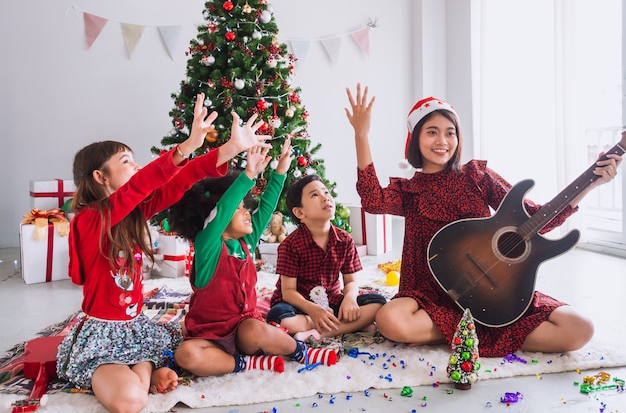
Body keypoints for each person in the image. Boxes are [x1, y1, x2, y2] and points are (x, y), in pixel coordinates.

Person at [345, 83, 623, 357]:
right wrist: (361, 134)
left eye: (450, 133)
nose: (442, 141)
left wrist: (592, 184)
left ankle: (470, 330)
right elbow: (372, 199)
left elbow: (539, 219)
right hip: (430, 294)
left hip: (493, 294)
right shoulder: (410, 190)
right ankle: (486, 333)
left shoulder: (477, 176)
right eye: (432, 132)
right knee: (391, 319)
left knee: (579, 329)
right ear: (416, 138)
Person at [56, 93, 271, 413]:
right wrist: (185, 146)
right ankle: (145, 370)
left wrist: (229, 149)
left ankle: (144, 366)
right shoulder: (89, 221)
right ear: (100, 178)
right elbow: (140, 185)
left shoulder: (134, 214)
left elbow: (180, 181)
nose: (138, 166)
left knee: (137, 391)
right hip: (102, 334)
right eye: (126, 162)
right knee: (131, 401)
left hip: (134, 327)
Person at [167, 137, 337, 378]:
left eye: (244, 206)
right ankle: (245, 364)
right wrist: (247, 175)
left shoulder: (245, 243)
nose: (246, 211)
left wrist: (280, 172)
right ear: (214, 218)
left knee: (257, 329)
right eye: (239, 208)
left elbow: (266, 208)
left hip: (246, 330)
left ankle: (302, 352)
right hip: (209, 338)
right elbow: (223, 207)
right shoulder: (208, 246)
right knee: (186, 355)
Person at [266, 174, 386, 341]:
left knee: (378, 302)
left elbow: (350, 281)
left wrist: (350, 299)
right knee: (278, 316)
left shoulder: (345, 240)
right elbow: (289, 292)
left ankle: (316, 333)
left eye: (326, 192)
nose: (325, 198)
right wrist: (313, 311)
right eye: (315, 195)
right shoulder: (290, 245)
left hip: (332, 301)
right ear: (299, 212)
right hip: (300, 305)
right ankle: (347, 325)